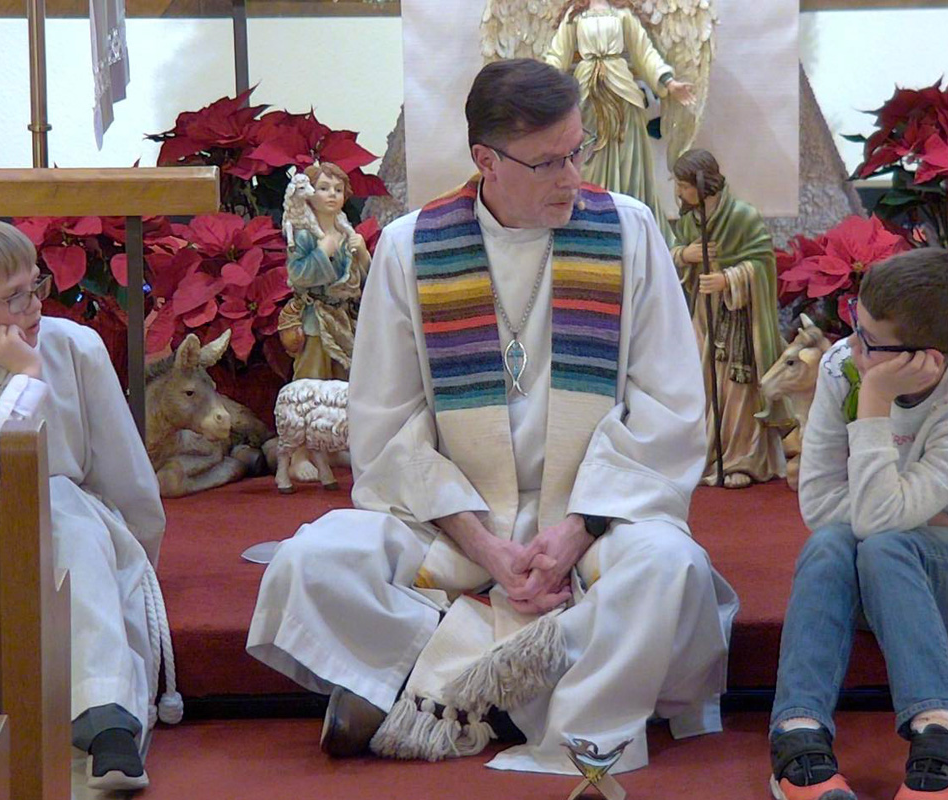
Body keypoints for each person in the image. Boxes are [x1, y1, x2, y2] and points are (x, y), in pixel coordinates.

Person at [247, 58, 737, 776]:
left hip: (594, 529)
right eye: (549, 162)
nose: (573, 176)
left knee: (672, 571)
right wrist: (487, 548)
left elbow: (669, 407)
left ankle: (425, 683)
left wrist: (574, 530)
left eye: (579, 149)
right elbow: (387, 425)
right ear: (486, 160)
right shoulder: (414, 249)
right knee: (305, 566)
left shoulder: (627, 233)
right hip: (454, 529)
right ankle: (522, 681)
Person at [0, 218, 167, 793]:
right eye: (13, 298)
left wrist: (139, 565)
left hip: (73, 534)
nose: (34, 307)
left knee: (61, 500)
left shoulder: (77, 345)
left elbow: (124, 472)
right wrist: (27, 378)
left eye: (35, 286)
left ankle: (105, 719)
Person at [768, 248, 948, 800]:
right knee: (832, 544)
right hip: (878, 560)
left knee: (884, 547)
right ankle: (797, 733)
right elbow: (820, 505)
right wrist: (917, 508)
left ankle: (941, 733)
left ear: (923, 357)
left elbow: (877, 520)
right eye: (856, 327)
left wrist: (874, 403)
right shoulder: (841, 370)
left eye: (869, 343)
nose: (852, 349)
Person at [670, 149, 791, 488]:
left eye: (683, 185)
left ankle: (740, 459)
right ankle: (704, 456)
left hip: (738, 321)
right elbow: (670, 254)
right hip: (701, 316)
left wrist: (729, 279)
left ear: (701, 183)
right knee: (697, 383)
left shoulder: (743, 217)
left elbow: (764, 264)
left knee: (735, 391)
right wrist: (684, 254)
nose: (679, 194)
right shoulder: (689, 221)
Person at [542, 0, 697, 242]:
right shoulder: (575, 17)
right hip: (587, 96)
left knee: (629, 159)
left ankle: (632, 227)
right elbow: (556, 56)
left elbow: (644, 53)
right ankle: (591, 223)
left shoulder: (623, 15)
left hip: (623, 94)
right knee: (587, 155)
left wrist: (669, 82)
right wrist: (535, 86)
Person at [277, 161, 371, 381]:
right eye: (324, 188)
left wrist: (364, 256)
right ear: (309, 194)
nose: (332, 195)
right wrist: (321, 253)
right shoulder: (303, 235)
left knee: (345, 378)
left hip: (344, 320)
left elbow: (365, 282)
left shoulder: (347, 234)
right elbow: (297, 274)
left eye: (338, 190)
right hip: (315, 322)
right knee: (312, 376)